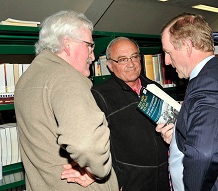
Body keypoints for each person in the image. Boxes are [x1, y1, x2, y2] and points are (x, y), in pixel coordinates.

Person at [14, 10, 118, 191]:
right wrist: (100, 172)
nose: (92, 56)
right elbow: (87, 144)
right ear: (67, 43)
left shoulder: (27, 79)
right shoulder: (66, 78)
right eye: (90, 46)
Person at [156, 12, 218, 191]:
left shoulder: (208, 84)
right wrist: (179, 138)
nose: (166, 61)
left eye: (168, 52)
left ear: (187, 46)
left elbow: (204, 154)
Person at [91, 37, 170, 191]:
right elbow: (98, 145)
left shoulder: (155, 88)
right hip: (132, 183)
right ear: (110, 66)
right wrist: (117, 181)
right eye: (122, 60)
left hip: (165, 179)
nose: (131, 64)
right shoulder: (100, 95)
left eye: (134, 57)